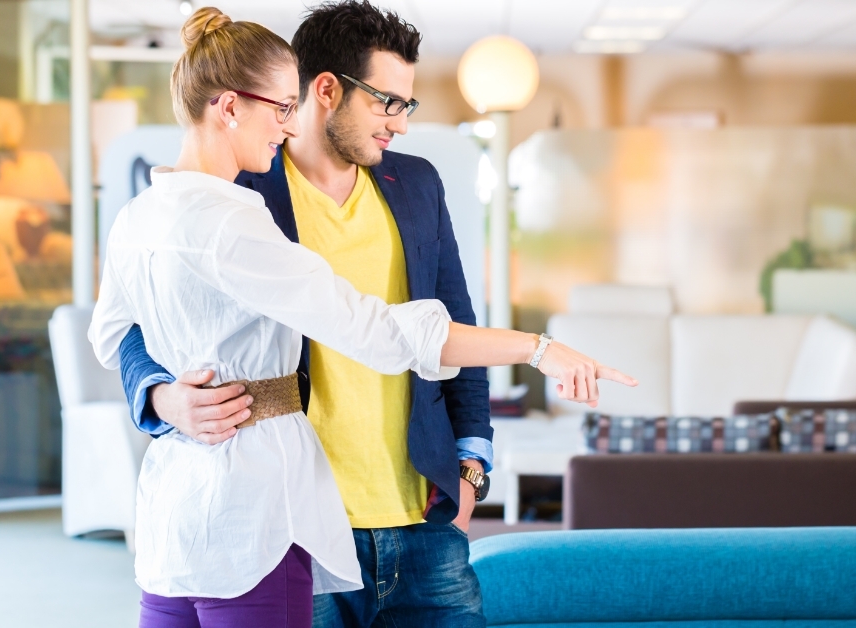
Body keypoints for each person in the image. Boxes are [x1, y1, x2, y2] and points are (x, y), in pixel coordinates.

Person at [90, 7, 634, 628]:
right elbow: (374, 330)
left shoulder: (413, 184)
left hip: (408, 512)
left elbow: (455, 312)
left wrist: (470, 467)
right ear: (322, 90)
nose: (399, 123)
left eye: (407, 105)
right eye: (385, 102)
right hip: (300, 512)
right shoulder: (245, 202)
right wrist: (162, 398)